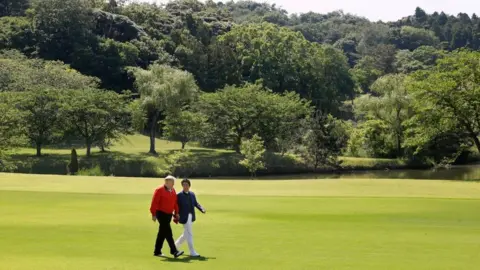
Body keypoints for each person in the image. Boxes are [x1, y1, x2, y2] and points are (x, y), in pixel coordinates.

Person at [150, 175, 184, 258]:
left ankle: (157, 251)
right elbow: (154, 202)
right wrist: (153, 214)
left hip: (168, 214)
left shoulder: (173, 190)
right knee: (168, 232)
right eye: (172, 182)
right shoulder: (159, 190)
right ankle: (174, 251)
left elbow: (175, 202)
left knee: (162, 233)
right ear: (167, 182)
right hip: (161, 213)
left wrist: (177, 212)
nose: (173, 184)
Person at [175, 178, 206, 257]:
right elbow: (176, 206)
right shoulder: (179, 195)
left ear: (189, 185)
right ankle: (192, 251)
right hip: (183, 217)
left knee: (186, 233)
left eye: (187, 185)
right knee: (189, 233)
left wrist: (201, 208)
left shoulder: (192, 194)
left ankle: (175, 245)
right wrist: (176, 215)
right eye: (184, 185)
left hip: (191, 216)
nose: (185, 186)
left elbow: (196, 203)